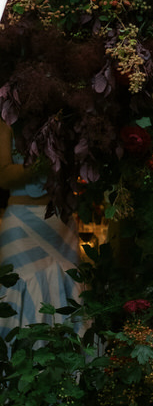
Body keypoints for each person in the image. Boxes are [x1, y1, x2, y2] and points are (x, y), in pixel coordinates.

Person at [0, 121, 80, 331]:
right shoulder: (6, 124)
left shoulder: (67, 118)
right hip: (21, 223)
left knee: (67, 288)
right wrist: (42, 163)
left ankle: (64, 358)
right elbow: (4, 177)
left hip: (60, 223)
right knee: (16, 288)